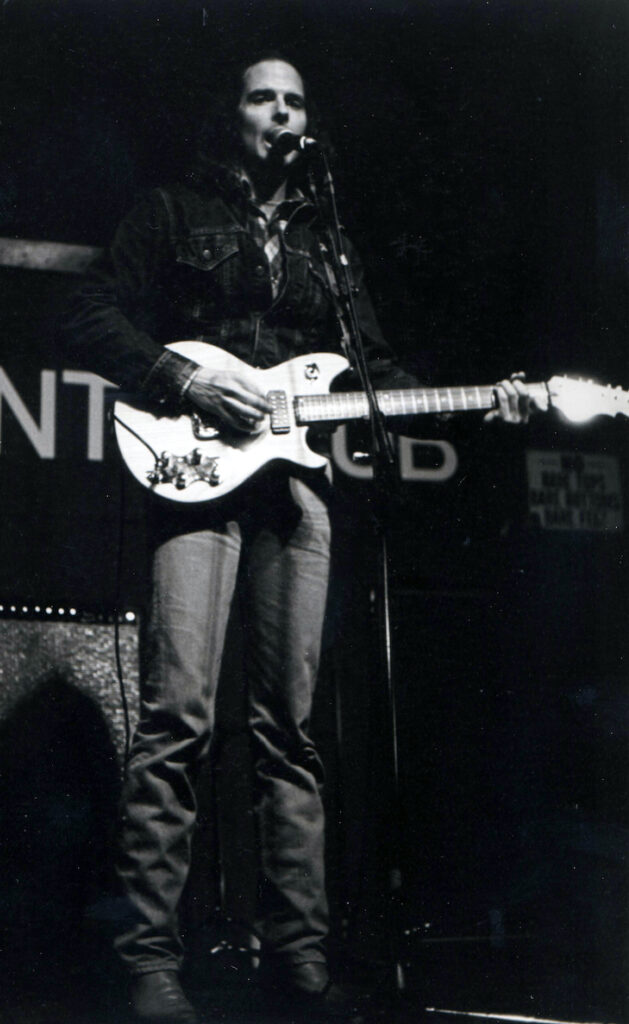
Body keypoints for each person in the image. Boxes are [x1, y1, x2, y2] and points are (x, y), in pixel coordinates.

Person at [64, 52, 531, 1023]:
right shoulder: (170, 210)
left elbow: (375, 372)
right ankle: (150, 958)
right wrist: (183, 381)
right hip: (193, 473)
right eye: (261, 96)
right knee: (178, 713)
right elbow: (88, 311)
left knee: (292, 730)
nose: (280, 112)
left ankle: (299, 963)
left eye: (293, 99)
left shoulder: (331, 243)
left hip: (298, 483)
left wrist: (482, 402)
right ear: (229, 112)